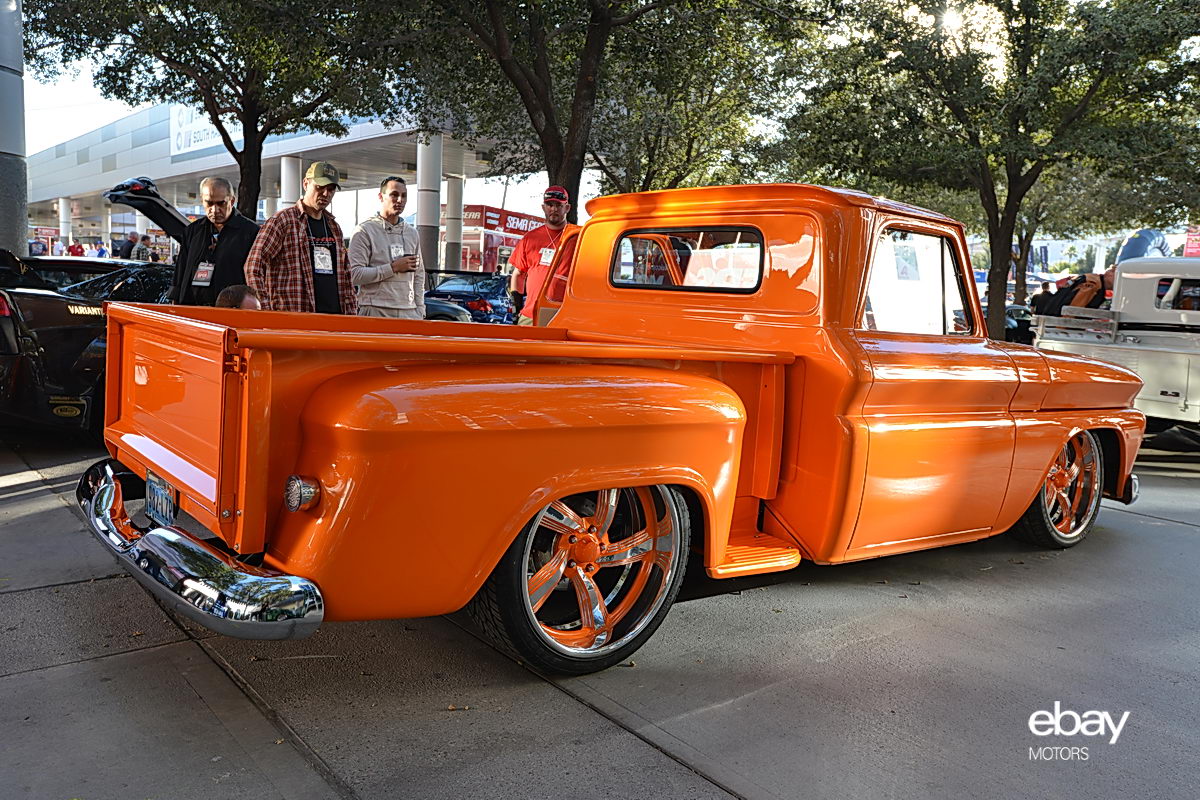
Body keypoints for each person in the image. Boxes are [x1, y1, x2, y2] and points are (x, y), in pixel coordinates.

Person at [245, 161, 357, 314]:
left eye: (330, 189)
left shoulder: (333, 226)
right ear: (305, 183)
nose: (325, 194)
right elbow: (253, 266)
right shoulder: (283, 221)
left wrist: (351, 312)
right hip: (295, 316)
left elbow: (345, 275)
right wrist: (265, 309)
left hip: (334, 318)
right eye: (320, 187)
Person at [169, 176, 260, 306]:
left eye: (221, 203)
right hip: (194, 308)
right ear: (202, 201)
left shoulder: (251, 232)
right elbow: (181, 268)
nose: (215, 210)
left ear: (232, 201)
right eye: (209, 203)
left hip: (231, 310)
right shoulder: (193, 230)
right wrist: (175, 301)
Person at [349, 176, 425, 319]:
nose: (399, 200)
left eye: (404, 196)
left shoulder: (412, 233)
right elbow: (354, 274)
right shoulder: (364, 231)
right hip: (375, 310)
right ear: (381, 196)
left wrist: (420, 310)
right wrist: (393, 268)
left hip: (409, 312)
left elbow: (419, 275)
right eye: (394, 195)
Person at [508, 186, 580, 326]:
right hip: (531, 314)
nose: (554, 209)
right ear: (543, 207)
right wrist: (516, 304)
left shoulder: (578, 237)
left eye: (559, 205)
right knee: (526, 347)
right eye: (550, 205)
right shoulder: (530, 238)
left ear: (567, 208)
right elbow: (518, 273)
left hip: (565, 314)